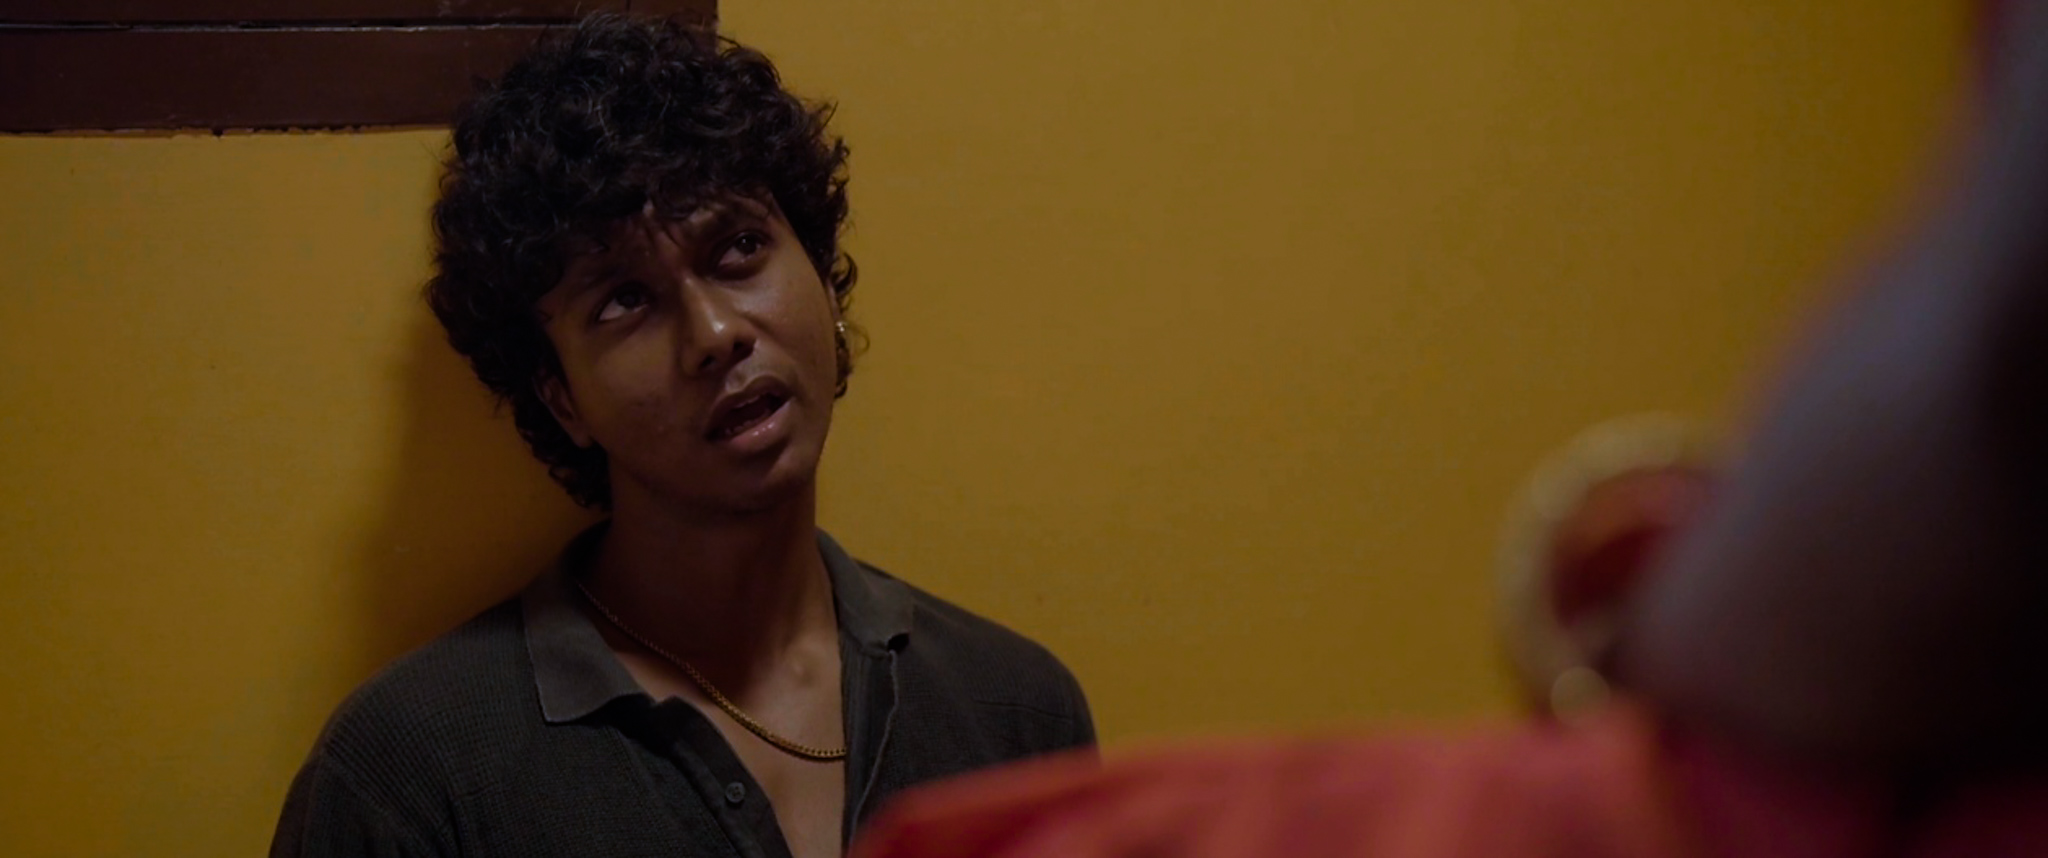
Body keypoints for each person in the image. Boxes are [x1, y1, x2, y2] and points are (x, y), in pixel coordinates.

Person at [851, 5, 2048, 857]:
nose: (744, 333)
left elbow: (1992, 351)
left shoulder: (1010, 699)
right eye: (648, 298)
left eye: (758, 251)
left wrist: (1688, 594)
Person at [271, 15, 1095, 858]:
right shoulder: (412, 777)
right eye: (624, 301)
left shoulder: (1016, 714)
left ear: (821, 278)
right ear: (562, 398)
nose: (714, 334)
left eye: (739, 247)